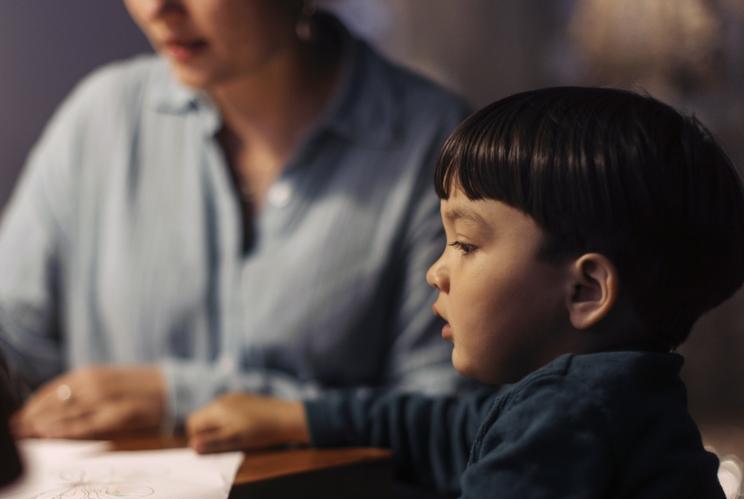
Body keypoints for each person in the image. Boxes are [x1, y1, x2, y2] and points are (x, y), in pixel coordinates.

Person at [104, 86, 744, 499]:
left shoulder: (575, 415)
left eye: (465, 243)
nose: (436, 272)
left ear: (584, 289)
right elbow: (448, 431)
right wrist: (302, 418)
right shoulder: (611, 401)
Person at [1, 0, 468, 440]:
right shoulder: (102, 117)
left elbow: (445, 418)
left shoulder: (431, 142)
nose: (157, 8)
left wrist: (181, 399)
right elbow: (13, 340)